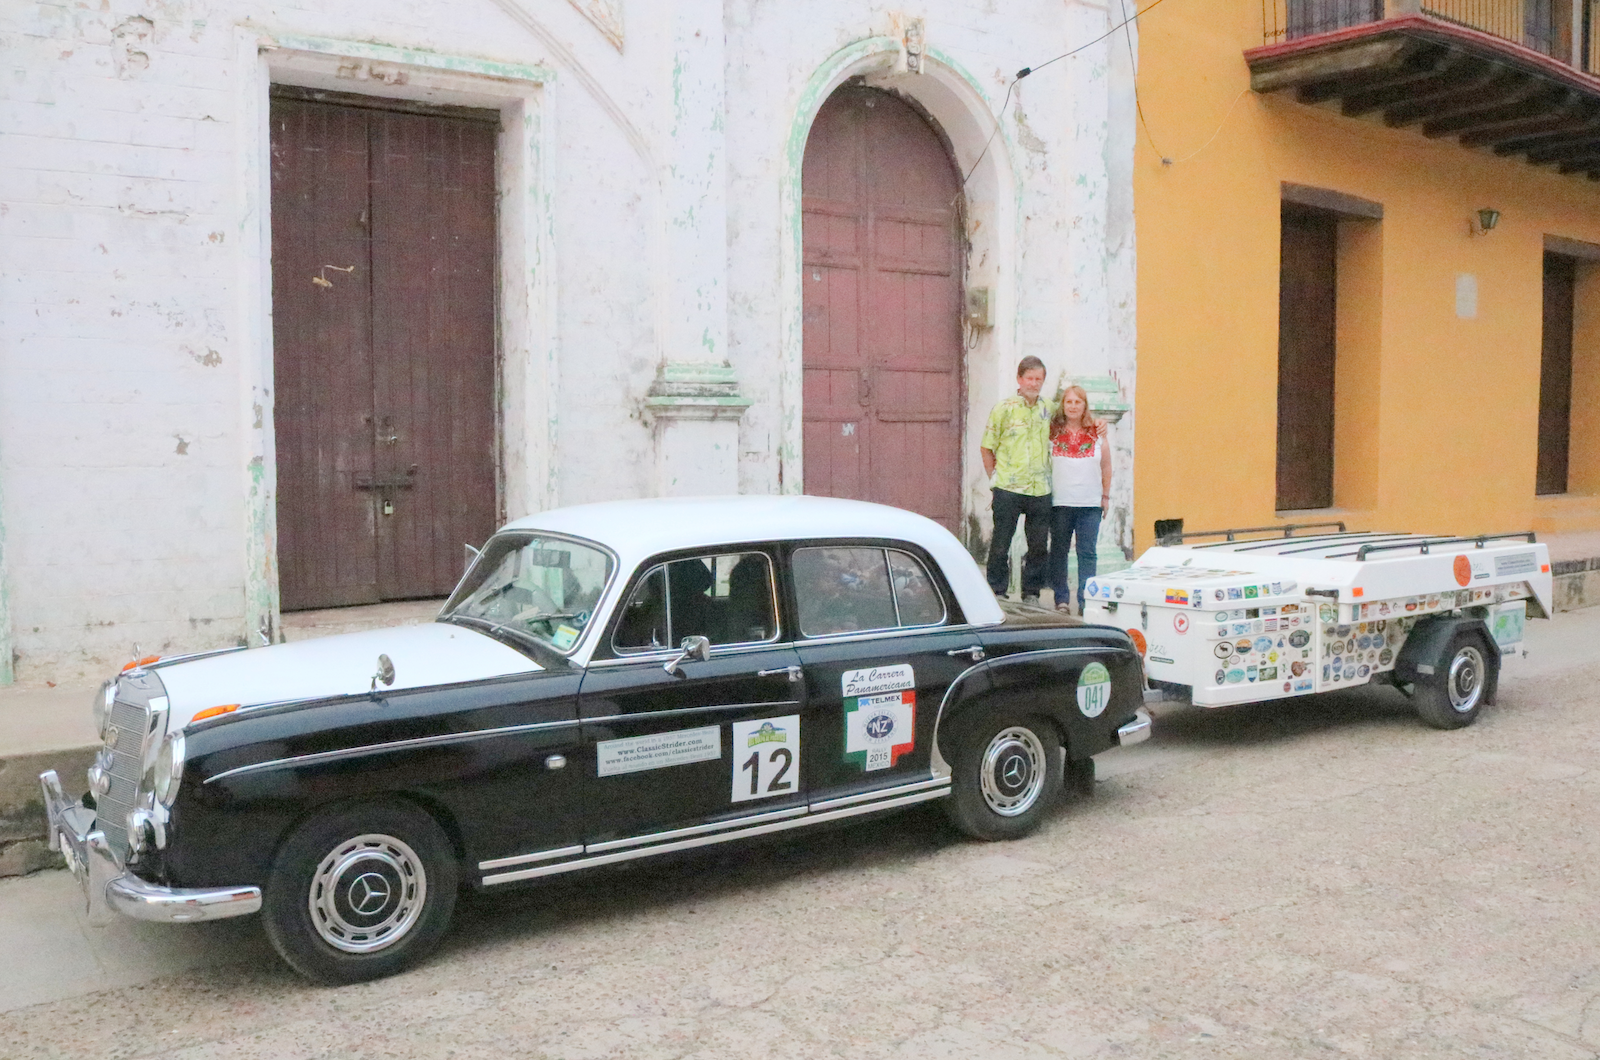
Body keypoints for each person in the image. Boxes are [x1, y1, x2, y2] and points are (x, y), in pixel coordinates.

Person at [980, 357, 1053, 601]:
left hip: (1039, 488)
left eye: (1038, 379)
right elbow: (987, 447)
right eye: (1029, 378)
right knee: (1001, 542)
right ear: (1019, 379)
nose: (1034, 383)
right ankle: (997, 591)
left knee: (1038, 545)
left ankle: (1031, 592)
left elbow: (1075, 421)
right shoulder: (1003, 408)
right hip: (1008, 487)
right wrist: (994, 478)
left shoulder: (1049, 409)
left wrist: (1098, 424)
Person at [1048, 384, 1112, 614]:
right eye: (1069, 402)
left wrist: (1105, 496)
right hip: (1060, 502)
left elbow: (1106, 466)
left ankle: (1086, 600)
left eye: (1078, 402)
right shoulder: (1051, 432)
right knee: (1059, 552)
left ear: (1085, 406)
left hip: (1089, 504)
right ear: (1063, 405)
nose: (1073, 406)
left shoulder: (1097, 433)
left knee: (1087, 553)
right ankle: (1061, 600)